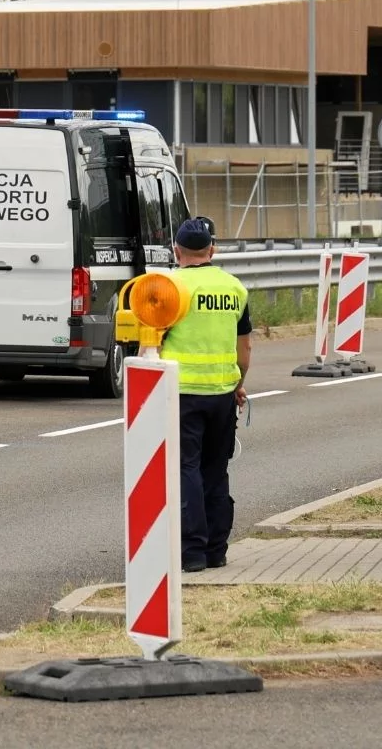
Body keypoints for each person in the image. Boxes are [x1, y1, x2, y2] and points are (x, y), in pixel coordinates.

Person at [158, 217, 251, 573]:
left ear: (176, 250)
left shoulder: (168, 286)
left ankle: (192, 552)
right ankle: (217, 550)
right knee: (216, 471)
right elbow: (245, 348)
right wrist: (238, 382)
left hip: (181, 393)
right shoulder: (234, 288)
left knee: (186, 471)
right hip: (223, 394)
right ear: (213, 249)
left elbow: (150, 342)